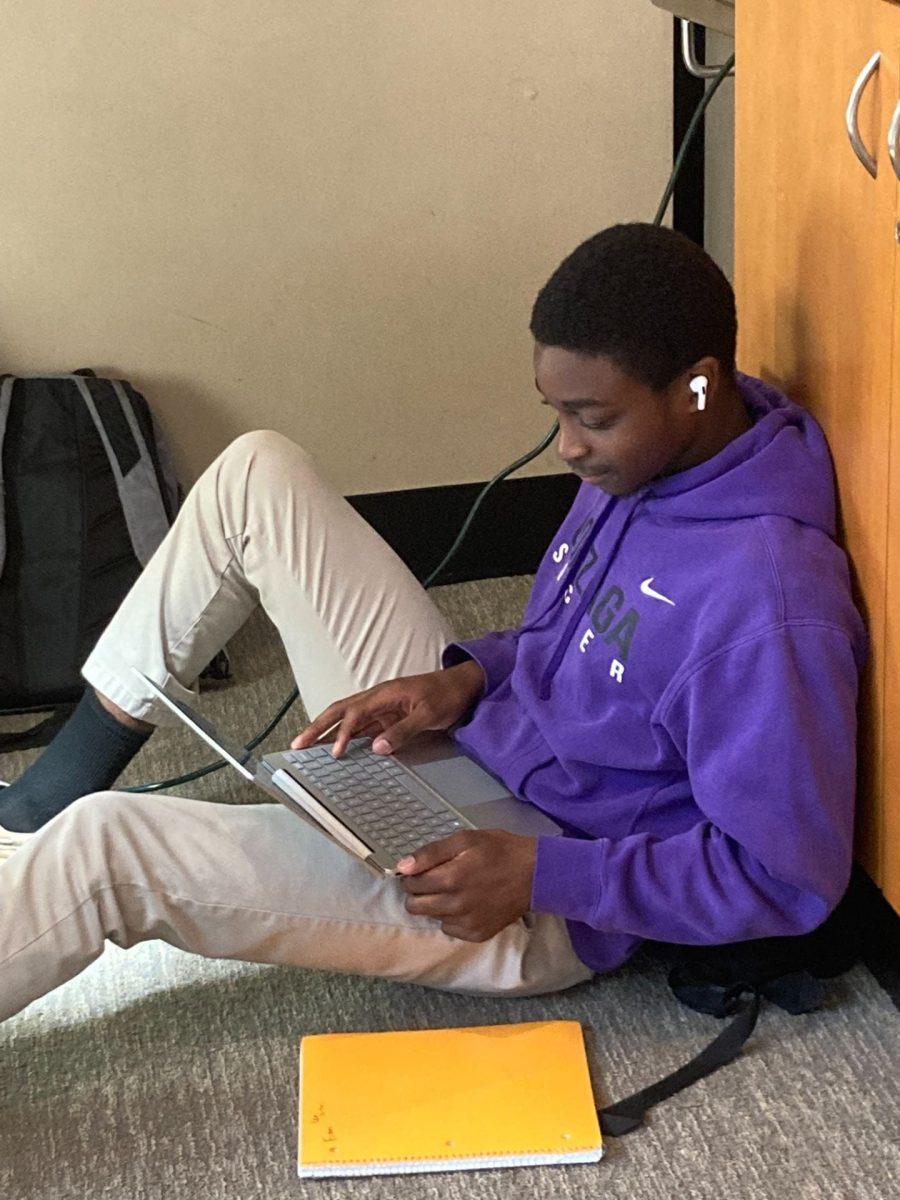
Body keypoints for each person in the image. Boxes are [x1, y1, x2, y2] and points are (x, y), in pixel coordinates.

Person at [0, 222, 866, 1024]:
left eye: (592, 419)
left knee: (108, 847)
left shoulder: (768, 603)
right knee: (257, 474)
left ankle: (42, 861)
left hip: (535, 894)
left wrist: (541, 871)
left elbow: (782, 875)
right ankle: (29, 810)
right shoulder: (652, 462)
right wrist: (463, 678)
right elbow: (566, 640)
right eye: (554, 412)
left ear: (700, 386)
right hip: (483, 749)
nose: (566, 447)